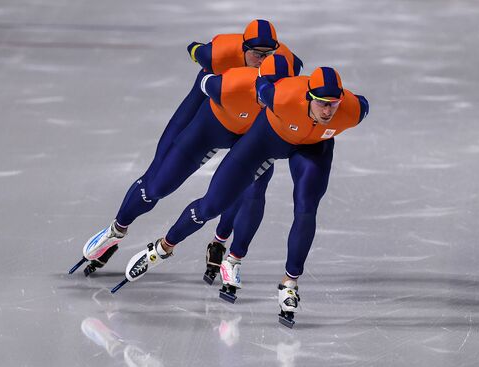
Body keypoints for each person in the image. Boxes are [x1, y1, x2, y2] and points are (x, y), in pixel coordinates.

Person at [117, 66, 369, 327]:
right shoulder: (281, 96)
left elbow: (364, 104)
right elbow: (261, 87)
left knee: (306, 206)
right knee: (211, 206)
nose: (328, 111)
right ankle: (162, 248)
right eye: (322, 104)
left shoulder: (352, 110)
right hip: (266, 141)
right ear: (309, 97)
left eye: (333, 104)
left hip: (313, 149)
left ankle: (289, 283)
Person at [68, 20, 302, 277]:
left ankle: (221, 243)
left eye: (269, 54)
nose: (263, 61)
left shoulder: (285, 64)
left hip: (248, 128)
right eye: (257, 54)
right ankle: (116, 231)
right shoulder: (220, 54)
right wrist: (208, 68)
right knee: (156, 183)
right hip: (212, 111)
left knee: (253, 185)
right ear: (242, 49)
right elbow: (195, 49)